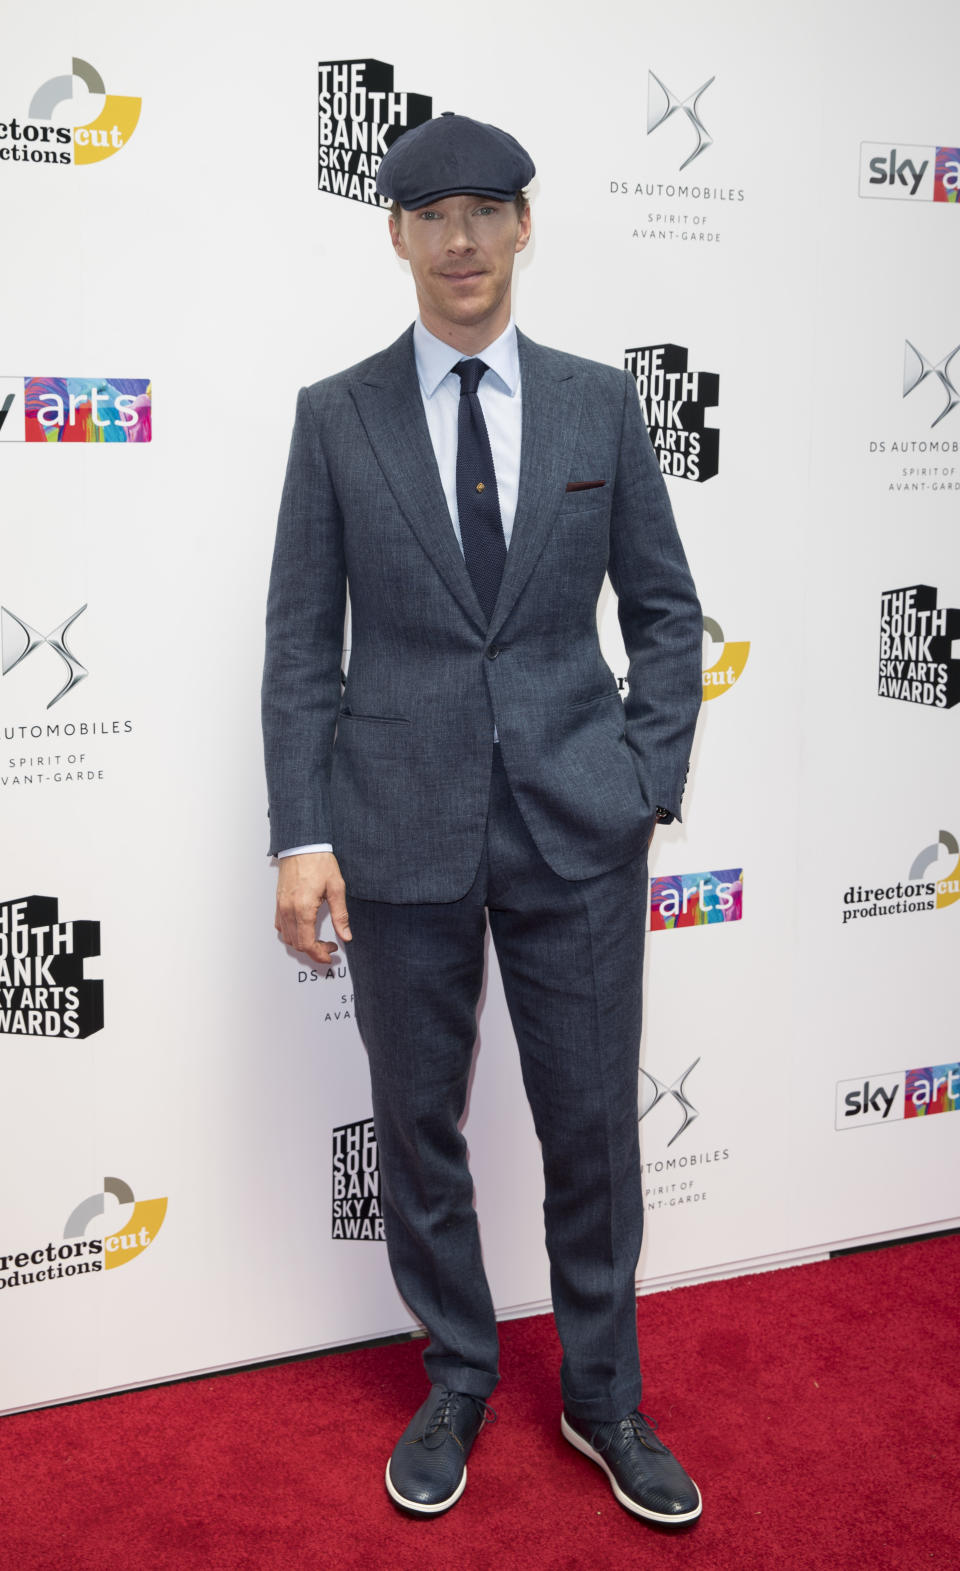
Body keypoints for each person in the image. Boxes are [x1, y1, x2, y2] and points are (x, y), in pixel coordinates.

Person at [262, 112, 704, 1525]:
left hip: (579, 826)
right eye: (431, 213)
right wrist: (301, 834)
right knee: (417, 1123)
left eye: (487, 211)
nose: (460, 239)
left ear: (525, 227)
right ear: (393, 232)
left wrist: (644, 780)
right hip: (397, 830)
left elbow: (666, 613)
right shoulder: (335, 416)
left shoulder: (595, 405)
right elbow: (296, 648)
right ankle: (457, 1371)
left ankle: (603, 1397)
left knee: (591, 1129)